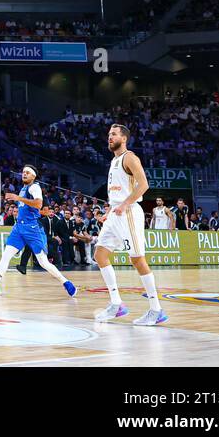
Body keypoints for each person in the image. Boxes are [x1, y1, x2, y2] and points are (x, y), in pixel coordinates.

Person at [93, 124, 166, 326]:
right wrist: (109, 212)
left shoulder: (130, 158)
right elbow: (117, 193)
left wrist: (125, 204)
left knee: (137, 259)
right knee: (99, 254)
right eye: (108, 134)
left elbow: (144, 185)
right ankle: (116, 304)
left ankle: (156, 309)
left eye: (114, 134)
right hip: (116, 213)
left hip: (129, 213)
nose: (110, 137)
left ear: (124, 138)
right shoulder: (114, 160)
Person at [0, 166, 76, 296]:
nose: (24, 174)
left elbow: (38, 204)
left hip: (32, 229)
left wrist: (18, 198)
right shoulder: (23, 189)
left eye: (28, 172)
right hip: (19, 228)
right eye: (23, 172)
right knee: (6, 255)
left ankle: (66, 282)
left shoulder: (34, 187)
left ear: (34, 176)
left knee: (43, 262)